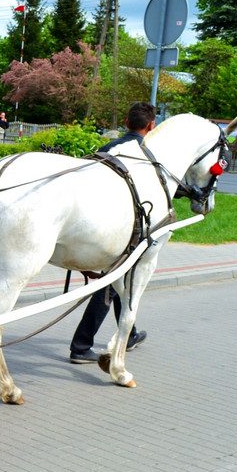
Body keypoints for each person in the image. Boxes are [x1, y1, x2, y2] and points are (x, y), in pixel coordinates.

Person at [68, 101, 156, 364]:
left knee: (122, 281)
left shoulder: (108, 148)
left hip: (97, 220)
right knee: (112, 284)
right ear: (151, 126)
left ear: (126, 124)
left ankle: (128, 335)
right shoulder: (145, 155)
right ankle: (81, 346)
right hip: (122, 229)